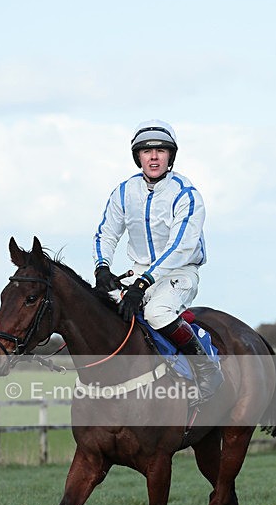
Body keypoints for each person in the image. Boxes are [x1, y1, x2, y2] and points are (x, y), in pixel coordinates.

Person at [93, 119, 223, 402]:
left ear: (170, 156)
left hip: (180, 270)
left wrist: (144, 282)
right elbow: (106, 233)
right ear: (137, 156)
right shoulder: (123, 192)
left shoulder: (187, 194)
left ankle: (206, 370)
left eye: (161, 151)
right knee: (98, 306)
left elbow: (181, 247)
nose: (153, 157)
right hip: (138, 272)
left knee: (157, 313)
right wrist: (102, 267)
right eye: (146, 151)